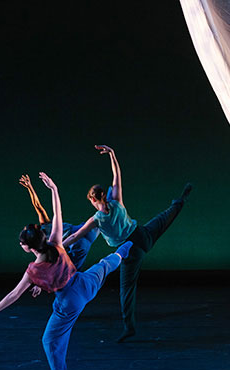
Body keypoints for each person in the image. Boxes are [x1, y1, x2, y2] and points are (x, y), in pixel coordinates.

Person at [0, 172, 132, 370]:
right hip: (84, 284)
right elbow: (56, 211)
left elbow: (14, 295)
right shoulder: (56, 241)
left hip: (69, 302)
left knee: (50, 341)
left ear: (29, 247)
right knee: (104, 265)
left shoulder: (33, 270)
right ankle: (125, 250)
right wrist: (53, 188)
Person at [62, 145, 192, 342]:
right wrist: (112, 154)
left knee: (127, 289)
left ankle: (129, 327)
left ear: (92, 200)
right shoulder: (116, 201)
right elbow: (117, 176)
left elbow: (75, 236)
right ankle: (179, 201)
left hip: (130, 251)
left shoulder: (95, 219)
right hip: (143, 235)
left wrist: (59, 245)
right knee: (164, 217)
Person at [19, 173, 100, 271]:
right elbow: (38, 206)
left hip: (77, 240)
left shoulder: (44, 231)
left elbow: (37, 205)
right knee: (101, 219)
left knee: (71, 272)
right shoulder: (44, 231)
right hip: (78, 240)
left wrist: (30, 187)